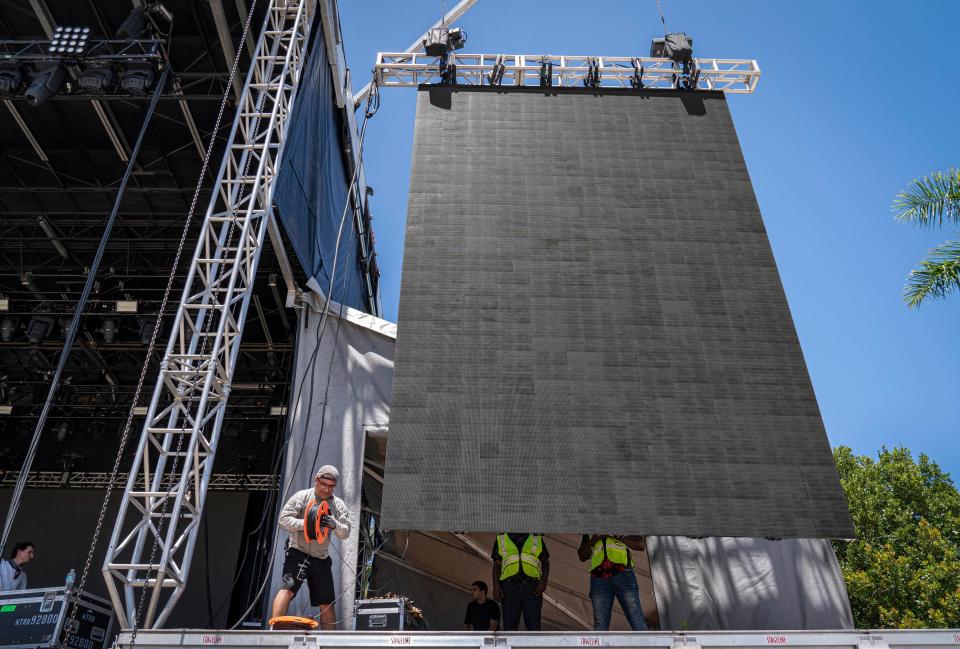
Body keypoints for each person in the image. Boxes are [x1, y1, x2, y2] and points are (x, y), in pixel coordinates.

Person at [272, 466, 352, 630]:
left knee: (327, 602)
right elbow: (283, 519)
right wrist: (308, 524)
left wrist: (334, 523)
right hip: (297, 553)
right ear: (316, 479)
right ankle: (274, 634)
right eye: (324, 484)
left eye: (331, 486)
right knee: (287, 589)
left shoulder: (338, 505)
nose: (326, 489)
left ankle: (329, 644)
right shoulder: (302, 496)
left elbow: (345, 533)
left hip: (321, 558)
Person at [577, 534, 647, 631]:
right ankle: (599, 646)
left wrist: (615, 536)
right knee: (600, 623)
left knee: (635, 616)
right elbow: (582, 556)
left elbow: (641, 545)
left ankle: (648, 645)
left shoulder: (622, 522)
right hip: (599, 576)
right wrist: (595, 539)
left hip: (623, 573)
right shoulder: (590, 529)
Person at [491, 533, 549, 631]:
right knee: (509, 628)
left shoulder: (535, 537)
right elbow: (497, 564)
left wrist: (543, 582)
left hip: (532, 588)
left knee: (534, 628)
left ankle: (534, 646)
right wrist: (496, 586)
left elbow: (545, 561)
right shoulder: (501, 538)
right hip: (509, 588)